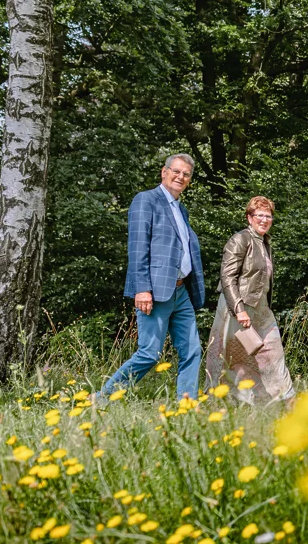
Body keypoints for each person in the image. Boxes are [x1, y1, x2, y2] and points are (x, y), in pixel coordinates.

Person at [99, 154, 204, 401]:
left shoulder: (181, 210)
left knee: (192, 350)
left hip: (181, 292)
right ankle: (102, 398)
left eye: (186, 174)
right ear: (164, 172)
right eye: (176, 171)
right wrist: (142, 289)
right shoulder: (146, 200)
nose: (181, 177)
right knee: (149, 353)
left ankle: (186, 404)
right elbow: (138, 247)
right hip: (156, 291)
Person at [204, 196, 295, 405]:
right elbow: (227, 278)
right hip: (237, 309)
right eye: (259, 215)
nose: (264, 219)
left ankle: (286, 400)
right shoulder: (240, 240)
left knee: (273, 353)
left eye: (268, 215)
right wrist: (239, 310)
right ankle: (221, 404)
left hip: (261, 309)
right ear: (249, 217)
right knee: (231, 359)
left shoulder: (265, 242)